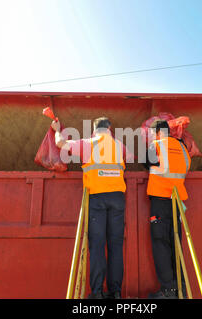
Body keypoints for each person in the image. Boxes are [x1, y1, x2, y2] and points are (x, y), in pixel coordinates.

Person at [51, 117, 130, 299]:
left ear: (94, 130)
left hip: (97, 198)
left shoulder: (88, 143)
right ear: (109, 128)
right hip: (118, 197)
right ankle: (116, 292)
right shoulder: (119, 145)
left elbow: (61, 144)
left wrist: (56, 129)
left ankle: (97, 293)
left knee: (97, 245)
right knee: (116, 246)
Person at [143, 119, 191, 299]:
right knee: (176, 243)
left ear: (156, 133)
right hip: (177, 200)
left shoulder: (154, 145)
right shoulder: (182, 147)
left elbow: (146, 163)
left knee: (161, 243)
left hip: (160, 200)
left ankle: (168, 291)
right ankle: (181, 290)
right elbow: (186, 167)